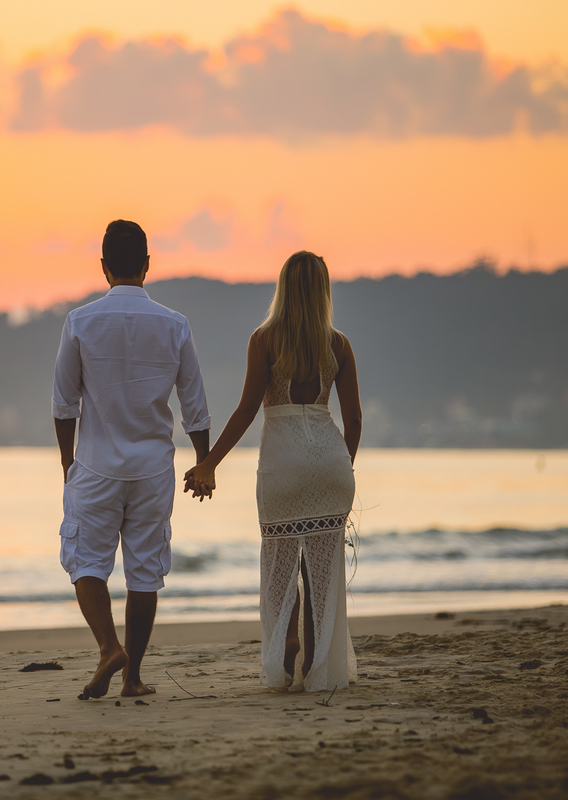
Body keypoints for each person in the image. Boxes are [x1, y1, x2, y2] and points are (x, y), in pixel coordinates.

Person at [185, 250, 361, 692]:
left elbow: (248, 409)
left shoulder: (264, 340)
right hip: (330, 462)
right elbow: (355, 419)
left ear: (283, 288)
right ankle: (316, 668)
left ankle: (287, 639)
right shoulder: (338, 345)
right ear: (323, 290)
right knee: (322, 575)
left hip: (282, 464)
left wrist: (209, 462)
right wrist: (343, 467)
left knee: (281, 565)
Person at [52, 219, 211, 699]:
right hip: (153, 468)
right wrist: (204, 461)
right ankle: (133, 676)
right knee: (145, 571)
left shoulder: (80, 322)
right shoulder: (174, 324)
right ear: (146, 265)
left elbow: (64, 404)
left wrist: (68, 463)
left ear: (104, 267)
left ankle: (108, 647)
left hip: (95, 465)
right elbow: (195, 405)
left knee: (86, 561)